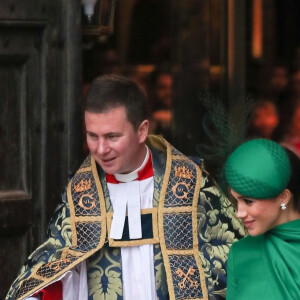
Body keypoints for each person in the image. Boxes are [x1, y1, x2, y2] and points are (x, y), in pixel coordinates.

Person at [6, 75, 243, 300]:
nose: (100, 149)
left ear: (142, 131)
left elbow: (233, 254)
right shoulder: (82, 192)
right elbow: (55, 260)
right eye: (92, 136)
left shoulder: (188, 183)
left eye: (112, 136)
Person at [225, 138, 300, 299]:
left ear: (283, 197)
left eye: (248, 201)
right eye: (236, 200)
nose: (239, 212)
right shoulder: (239, 253)